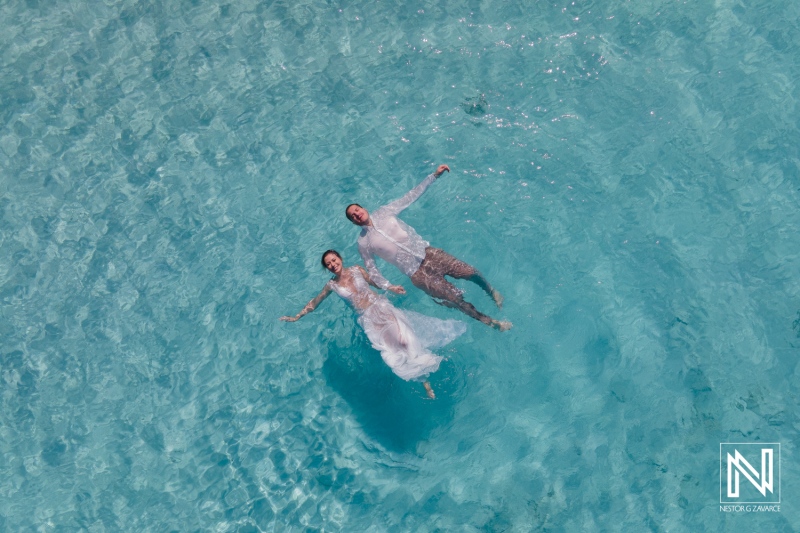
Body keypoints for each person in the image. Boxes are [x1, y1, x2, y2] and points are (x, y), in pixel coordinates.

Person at [280, 250, 467, 399]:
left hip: (381, 307)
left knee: (406, 339)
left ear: (340, 259)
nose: (332, 265)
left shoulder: (356, 270)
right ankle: (422, 379)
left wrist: (391, 287)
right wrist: (298, 316)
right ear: (327, 268)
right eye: (328, 264)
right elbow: (315, 301)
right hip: (367, 318)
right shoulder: (332, 285)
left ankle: (425, 376)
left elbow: (376, 282)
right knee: (391, 350)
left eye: (334, 260)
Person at [346, 164, 512, 331]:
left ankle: (491, 291)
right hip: (417, 274)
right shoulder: (363, 242)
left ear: (364, 208)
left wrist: (434, 176)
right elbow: (371, 269)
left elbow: (410, 196)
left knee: (470, 271)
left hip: (429, 253)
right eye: (353, 216)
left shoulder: (385, 212)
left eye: (357, 210)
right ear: (353, 222)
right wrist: (388, 286)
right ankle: (491, 322)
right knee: (455, 299)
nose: (357, 214)